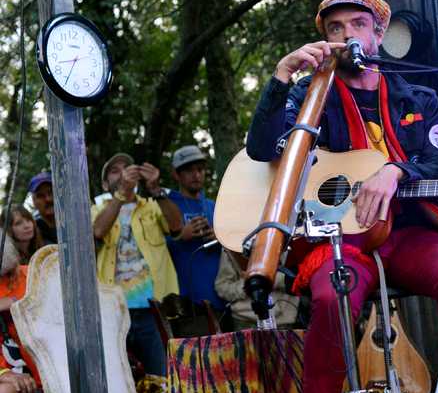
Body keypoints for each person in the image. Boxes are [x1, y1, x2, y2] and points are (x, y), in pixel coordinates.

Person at [246, 0, 438, 393]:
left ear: (378, 34)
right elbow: (263, 148)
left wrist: (396, 169)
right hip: (340, 238)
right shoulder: (308, 96)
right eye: (336, 27)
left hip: (407, 233)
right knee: (331, 296)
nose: (348, 35)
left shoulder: (419, 97)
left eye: (358, 25)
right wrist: (281, 76)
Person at [91, 153, 183, 377]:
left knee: (162, 378)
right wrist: (121, 194)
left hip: (153, 310)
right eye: (115, 170)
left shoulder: (152, 205)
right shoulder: (95, 208)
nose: (123, 173)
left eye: (127, 168)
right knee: (119, 382)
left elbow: (176, 225)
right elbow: (98, 231)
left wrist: (156, 189)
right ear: (105, 183)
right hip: (113, 311)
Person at [165, 145, 226, 316]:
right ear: (176, 174)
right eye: (189, 171)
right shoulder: (167, 205)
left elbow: (234, 248)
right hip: (186, 303)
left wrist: (220, 237)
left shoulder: (214, 206)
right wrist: (180, 236)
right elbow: (155, 249)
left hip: (222, 298)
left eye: (200, 169)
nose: (196, 175)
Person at [0, 235, 43, 393]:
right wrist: (3, 372)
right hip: (15, 381)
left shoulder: (36, 275)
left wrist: (19, 302)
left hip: (51, 374)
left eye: (10, 274)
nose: (6, 284)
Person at [214, 250, 301, 331]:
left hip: (284, 323)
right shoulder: (231, 242)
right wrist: (251, 284)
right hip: (245, 322)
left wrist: (277, 278)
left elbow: (303, 279)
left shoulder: (293, 240)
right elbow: (222, 287)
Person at [26, 174, 55, 246]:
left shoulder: (75, 221)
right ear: (33, 201)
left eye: (51, 192)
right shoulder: (30, 232)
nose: (48, 199)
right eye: (40, 196)